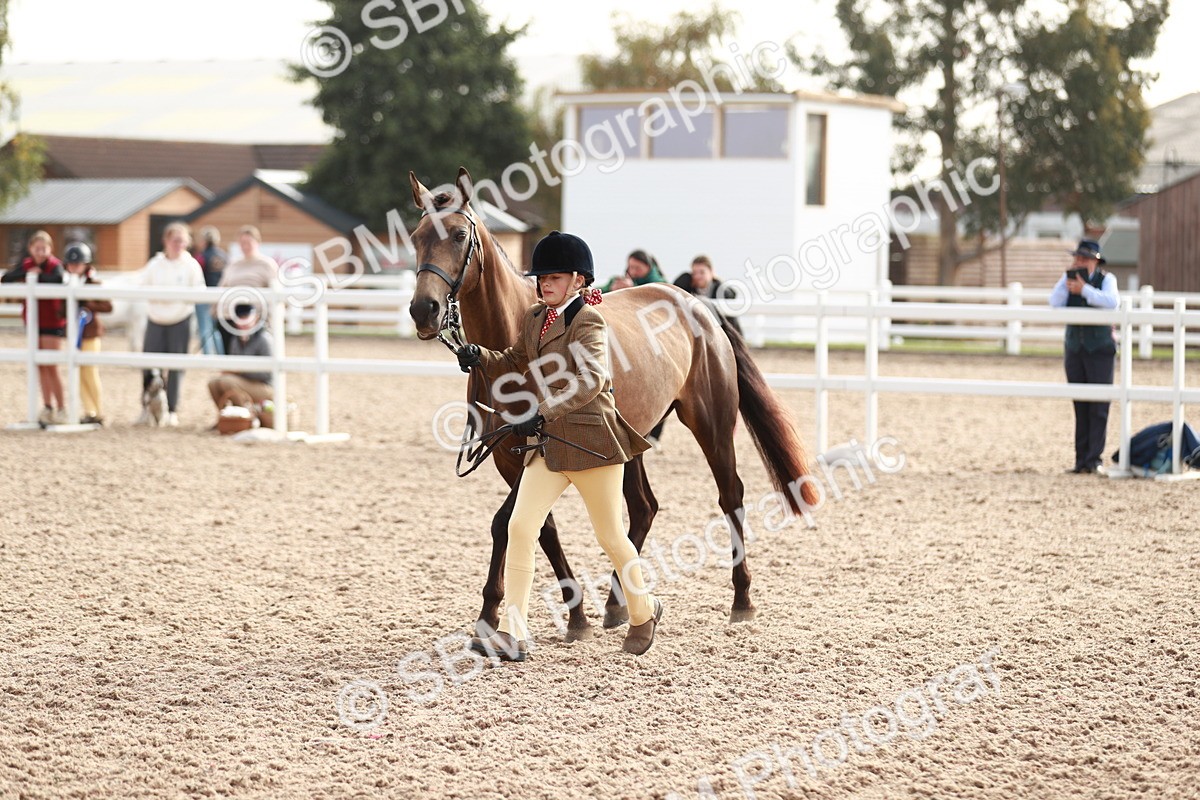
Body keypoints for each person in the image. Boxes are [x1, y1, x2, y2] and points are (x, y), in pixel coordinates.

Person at [456, 231, 663, 660]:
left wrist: (542, 411)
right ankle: (513, 632)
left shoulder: (590, 321)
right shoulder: (535, 318)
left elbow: (591, 380)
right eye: (541, 277)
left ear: (577, 281)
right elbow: (515, 359)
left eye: (553, 277)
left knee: (610, 536)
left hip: (592, 443)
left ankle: (644, 610)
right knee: (519, 527)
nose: (543, 284)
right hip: (549, 445)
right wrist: (480, 355)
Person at [1049, 239, 1119, 474]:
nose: (1079, 262)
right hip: (1075, 348)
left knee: (1098, 406)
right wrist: (1068, 284)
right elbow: (1055, 302)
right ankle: (1081, 460)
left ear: (1095, 261)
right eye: (1077, 258)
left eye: (1084, 258)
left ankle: (1094, 459)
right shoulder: (1068, 279)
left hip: (1099, 349)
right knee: (1080, 404)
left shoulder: (1107, 280)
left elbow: (1111, 303)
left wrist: (1085, 290)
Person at [132, 222, 206, 427]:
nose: (178, 245)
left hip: (180, 320)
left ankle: (171, 410)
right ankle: (147, 407)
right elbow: (141, 285)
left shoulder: (191, 265)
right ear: (166, 240)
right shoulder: (155, 264)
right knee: (149, 365)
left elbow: (200, 290)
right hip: (156, 319)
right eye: (175, 240)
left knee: (176, 367)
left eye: (182, 241)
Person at [1, 231, 66, 425]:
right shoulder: (27, 265)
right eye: (36, 249)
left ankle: (62, 408)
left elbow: (59, 279)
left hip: (52, 322)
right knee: (40, 366)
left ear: (50, 249)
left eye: (43, 249)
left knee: (52, 365)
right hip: (33, 322)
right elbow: (6, 278)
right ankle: (47, 407)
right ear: (30, 249)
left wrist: (39, 277)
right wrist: (27, 274)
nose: (40, 252)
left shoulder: (55, 265)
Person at [62, 243, 112, 425]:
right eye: (72, 264)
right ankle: (89, 410)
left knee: (90, 372)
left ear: (86, 265)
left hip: (90, 333)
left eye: (78, 264)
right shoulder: (65, 285)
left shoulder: (94, 284)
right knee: (78, 374)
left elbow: (108, 306)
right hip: (74, 334)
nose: (75, 267)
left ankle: (99, 411)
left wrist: (87, 304)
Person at [216, 225, 279, 356]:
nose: (245, 246)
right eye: (242, 243)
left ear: (257, 243)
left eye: (248, 242)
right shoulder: (233, 264)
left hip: (255, 316)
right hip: (230, 315)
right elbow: (222, 286)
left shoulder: (266, 264)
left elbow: (275, 289)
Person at [207, 304, 274, 415]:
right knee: (213, 383)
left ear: (256, 317)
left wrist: (240, 370)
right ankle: (225, 417)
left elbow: (268, 374)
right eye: (240, 318)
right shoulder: (235, 339)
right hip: (243, 381)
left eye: (246, 317)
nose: (243, 322)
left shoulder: (264, 339)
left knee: (227, 381)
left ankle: (245, 416)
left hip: (265, 386)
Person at [674, 254, 743, 335]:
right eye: (694, 273)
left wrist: (719, 282)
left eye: (702, 272)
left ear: (711, 272)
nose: (697, 276)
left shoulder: (719, 289)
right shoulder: (689, 289)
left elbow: (731, 296)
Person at [196, 226, 227, 355]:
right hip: (220, 296)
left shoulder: (201, 257)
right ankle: (220, 353)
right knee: (216, 328)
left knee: (204, 327)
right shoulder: (224, 256)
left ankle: (207, 354)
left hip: (204, 296)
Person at [600, 249, 665, 292]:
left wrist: (632, 289)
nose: (633, 272)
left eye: (638, 268)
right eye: (631, 267)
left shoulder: (661, 285)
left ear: (648, 267)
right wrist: (611, 289)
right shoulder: (620, 281)